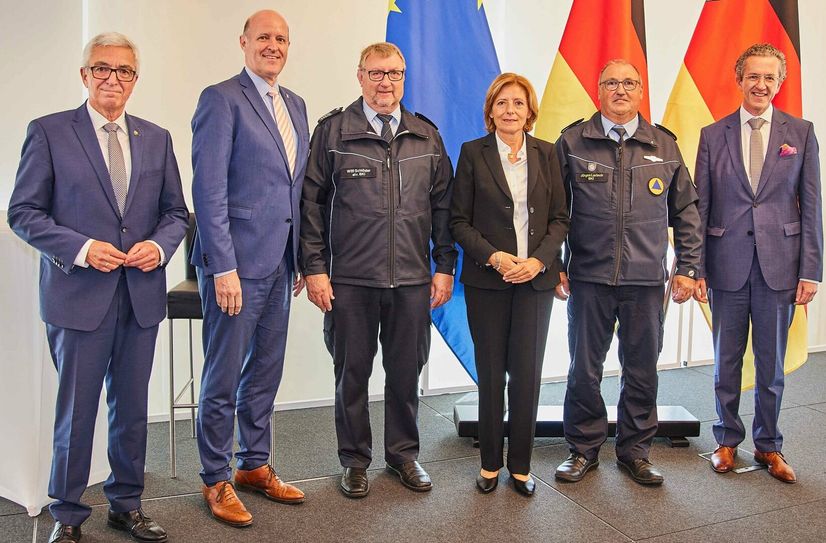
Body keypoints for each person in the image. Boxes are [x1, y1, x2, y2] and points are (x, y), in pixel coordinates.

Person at [7, 32, 188, 543]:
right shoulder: (48, 132)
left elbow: (175, 212)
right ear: (84, 75)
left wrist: (160, 246)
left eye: (125, 71)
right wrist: (83, 248)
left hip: (140, 297)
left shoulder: (156, 137)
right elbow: (24, 213)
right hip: (78, 298)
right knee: (76, 413)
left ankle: (126, 504)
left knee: (131, 410)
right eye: (103, 69)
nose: (114, 79)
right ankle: (67, 517)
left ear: (135, 80)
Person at [300, 42, 457, 498]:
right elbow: (311, 205)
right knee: (352, 373)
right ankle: (353, 460)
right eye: (375, 73)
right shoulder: (333, 133)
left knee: (406, 371)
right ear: (360, 75)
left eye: (394, 73)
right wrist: (315, 268)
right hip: (350, 280)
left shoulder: (426, 136)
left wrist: (444, 266)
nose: (384, 82)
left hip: (411, 279)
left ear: (403, 78)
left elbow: (443, 207)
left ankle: (403, 454)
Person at [553, 59, 702, 486]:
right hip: (589, 277)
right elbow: (553, 212)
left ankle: (635, 451)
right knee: (584, 368)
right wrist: (554, 265)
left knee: (642, 369)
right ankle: (582, 449)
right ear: (598, 89)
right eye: (612, 83)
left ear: (641, 91)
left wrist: (688, 267)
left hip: (645, 280)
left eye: (630, 83)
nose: (621, 90)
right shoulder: (573, 142)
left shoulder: (664, 145)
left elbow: (687, 212)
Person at [190, 9, 309, 526]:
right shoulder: (221, 99)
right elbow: (208, 190)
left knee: (264, 373)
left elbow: (293, 190)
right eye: (264, 37)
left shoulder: (297, 105)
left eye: (281, 39)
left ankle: (253, 465)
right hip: (235, 268)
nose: (273, 46)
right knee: (222, 378)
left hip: (281, 264)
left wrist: (301, 257)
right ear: (243, 42)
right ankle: (215, 478)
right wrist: (222, 267)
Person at [694, 43, 822, 483]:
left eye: (769, 77)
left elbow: (811, 205)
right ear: (739, 79)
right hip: (725, 264)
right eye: (753, 76)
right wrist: (696, 268)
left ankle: (769, 446)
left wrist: (811, 270)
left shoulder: (801, 133)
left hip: (781, 267)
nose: (761, 85)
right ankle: (727, 440)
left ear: (779, 82)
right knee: (725, 361)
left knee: (770, 366)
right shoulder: (713, 135)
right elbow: (701, 208)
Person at [449, 73, 568, 496]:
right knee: (491, 374)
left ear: (529, 111)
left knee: (527, 376)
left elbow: (560, 219)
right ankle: (488, 466)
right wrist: (495, 257)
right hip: (489, 281)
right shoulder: (471, 154)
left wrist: (538, 262)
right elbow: (458, 221)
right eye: (502, 104)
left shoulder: (548, 153)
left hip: (535, 282)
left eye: (518, 103)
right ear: (490, 111)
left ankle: (520, 466)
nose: (510, 111)